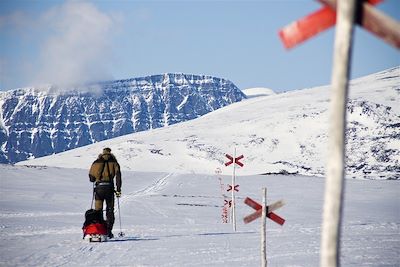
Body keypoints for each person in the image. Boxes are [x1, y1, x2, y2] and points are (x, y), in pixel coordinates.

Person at [89, 147, 122, 238]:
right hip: (109, 189)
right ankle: (108, 231)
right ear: (110, 153)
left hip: (99, 189)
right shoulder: (114, 162)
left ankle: (98, 229)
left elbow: (91, 178)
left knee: (98, 210)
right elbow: (118, 177)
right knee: (110, 210)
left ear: (102, 153)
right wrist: (118, 189)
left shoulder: (96, 162)